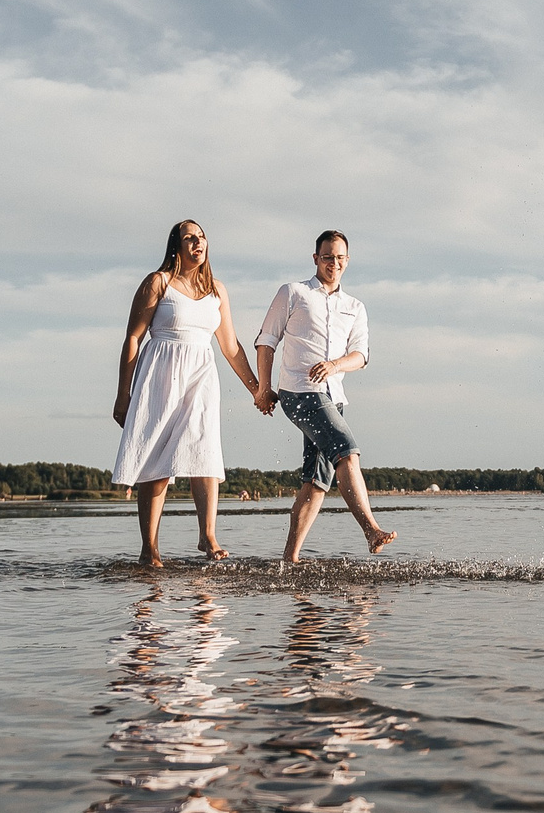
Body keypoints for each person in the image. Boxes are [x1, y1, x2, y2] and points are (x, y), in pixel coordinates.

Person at [111, 219, 270, 568]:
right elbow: (134, 338)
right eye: (189, 238)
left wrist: (257, 390)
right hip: (159, 374)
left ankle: (207, 536)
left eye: (201, 237)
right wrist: (123, 394)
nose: (197, 243)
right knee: (155, 460)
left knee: (204, 449)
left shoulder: (217, 290)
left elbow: (230, 346)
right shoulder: (158, 282)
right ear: (176, 246)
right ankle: (149, 548)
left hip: (201, 374)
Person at [254, 230, 396, 563]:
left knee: (317, 481)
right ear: (316, 258)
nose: (334, 263)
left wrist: (334, 365)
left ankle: (289, 559)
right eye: (328, 256)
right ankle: (371, 530)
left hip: (334, 397)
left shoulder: (355, 307)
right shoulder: (293, 293)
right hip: (300, 392)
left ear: (347, 261)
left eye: (340, 257)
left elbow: (360, 355)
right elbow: (266, 341)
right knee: (347, 453)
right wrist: (263, 388)